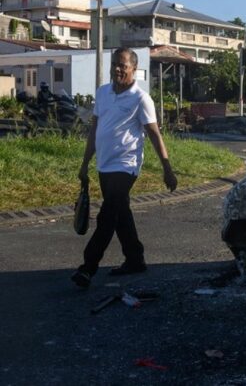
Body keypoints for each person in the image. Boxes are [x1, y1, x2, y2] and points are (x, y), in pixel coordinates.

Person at [71, 48, 177, 288]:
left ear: (133, 69)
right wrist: (85, 164)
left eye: (123, 65)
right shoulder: (102, 93)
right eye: (115, 65)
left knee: (107, 215)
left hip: (126, 165)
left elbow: (154, 135)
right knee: (120, 213)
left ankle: (88, 268)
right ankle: (135, 258)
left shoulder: (141, 99)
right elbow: (94, 131)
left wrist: (167, 169)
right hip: (104, 164)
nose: (117, 69)